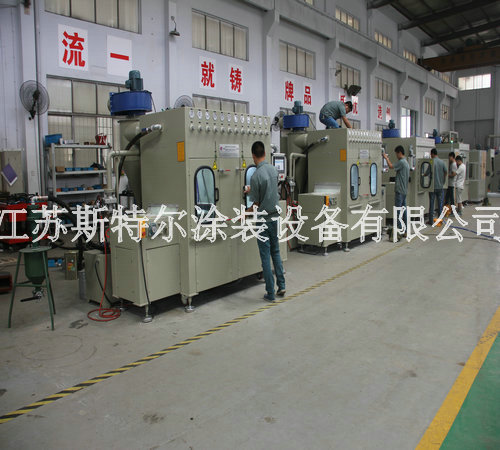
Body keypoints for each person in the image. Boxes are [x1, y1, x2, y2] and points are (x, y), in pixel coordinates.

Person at [245, 141, 285, 302]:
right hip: (275, 217)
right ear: (264, 153)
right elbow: (269, 191)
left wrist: (245, 213)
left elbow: (255, 204)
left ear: (253, 155)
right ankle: (282, 285)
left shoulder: (255, 176)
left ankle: (270, 292)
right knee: (276, 252)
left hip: (263, 221)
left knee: (265, 257)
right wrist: (253, 190)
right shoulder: (273, 170)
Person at [382, 145, 409, 236]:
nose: (396, 156)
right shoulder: (406, 162)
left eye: (396, 154)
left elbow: (390, 166)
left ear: (399, 153)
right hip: (404, 190)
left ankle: (400, 230)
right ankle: (405, 230)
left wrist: (386, 158)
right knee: (404, 211)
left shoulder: (401, 162)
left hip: (400, 190)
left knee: (398, 212)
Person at [428, 148, 448, 225]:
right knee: (440, 203)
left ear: (433, 154)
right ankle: (440, 220)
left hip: (432, 187)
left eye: (431, 154)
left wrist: (422, 174)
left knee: (432, 203)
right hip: (440, 186)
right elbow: (446, 171)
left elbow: (427, 172)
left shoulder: (431, 162)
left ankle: (431, 220)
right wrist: (443, 180)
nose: (430, 156)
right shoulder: (442, 162)